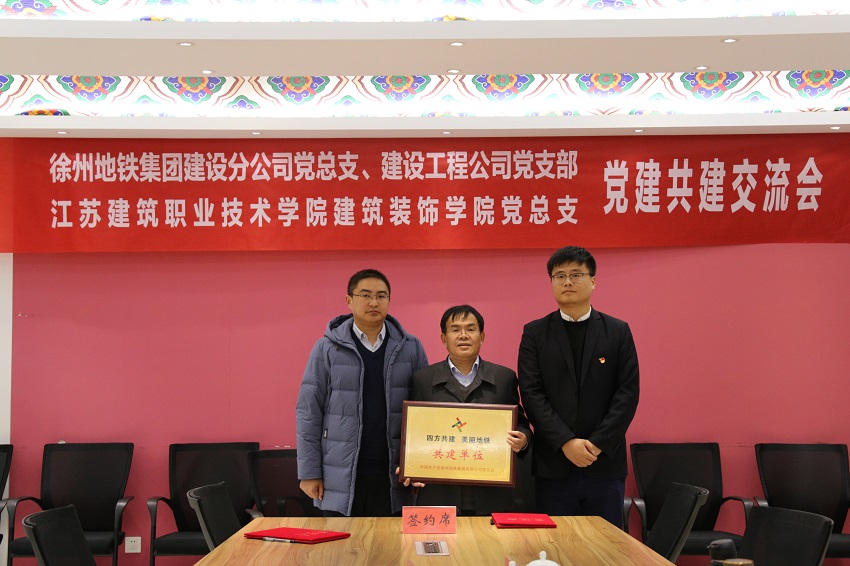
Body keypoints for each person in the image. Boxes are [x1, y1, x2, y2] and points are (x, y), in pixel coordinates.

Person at [517, 246, 639, 528]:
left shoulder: (617, 331)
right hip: (554, 466)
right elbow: (532, 394)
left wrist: (597, 444)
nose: (567, 282)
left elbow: (627, 393)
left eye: (576, 274)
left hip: (604, 464)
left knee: (606, 545)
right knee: (556, 544)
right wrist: (566, 442)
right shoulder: (535, 332)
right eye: (559, 276)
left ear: (593, 280)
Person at [296, 268, 429, 516]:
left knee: (390, 542)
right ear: (349, 300)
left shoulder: (411, 347)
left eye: (381, 296)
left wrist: (422, 466)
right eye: (365, 295)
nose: (373, 302)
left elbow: (425, 412)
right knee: (342, 542)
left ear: (389, 300)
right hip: (339, 475)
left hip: (394, 475)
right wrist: (309, 472)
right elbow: (308, 411)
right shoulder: (326, 348)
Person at [410, 304, 531, 515]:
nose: (463, 335)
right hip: (440, 491)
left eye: (471, 329)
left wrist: (523, 439)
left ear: (482, 336)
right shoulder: (423, 379)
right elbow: (414, 432)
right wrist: (410, 464)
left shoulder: (504, 378)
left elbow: (521, 424)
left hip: (491, 491)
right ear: (444, 338)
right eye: (455, 329)